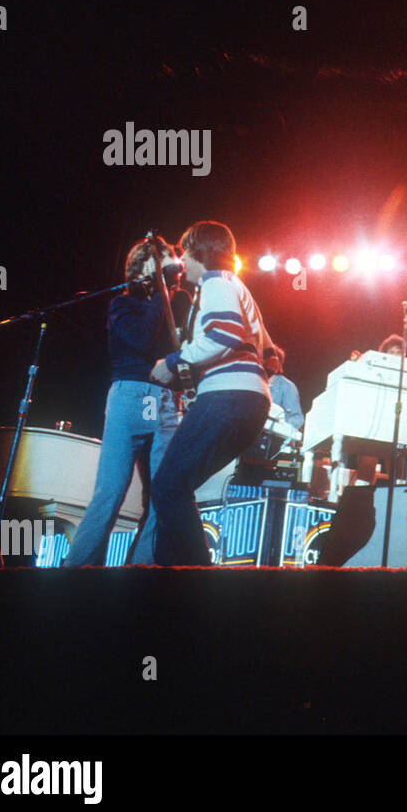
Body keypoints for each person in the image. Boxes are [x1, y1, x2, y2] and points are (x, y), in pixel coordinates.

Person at [148, 221, 274, 565]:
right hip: (248, 400)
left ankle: (196, 583)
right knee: (176, 488)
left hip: (228, 398)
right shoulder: (235, 286)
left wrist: (174, 361)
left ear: (199, 250)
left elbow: (223, 336)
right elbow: (271, 354)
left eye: (183, 251)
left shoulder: (215, 283)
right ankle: (174, 581)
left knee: (168, 487)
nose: (180, 260)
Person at [64, 236, 184, 566]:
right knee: (110, 490)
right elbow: (142, 338)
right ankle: (79, 571)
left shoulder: (176, 303)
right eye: (161, 262)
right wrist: (161, 291)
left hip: (165, 401)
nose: (168, 269)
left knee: (161, 494)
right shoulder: (123, 304)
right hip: (129, 395)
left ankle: (141, 570)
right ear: (141, 266)